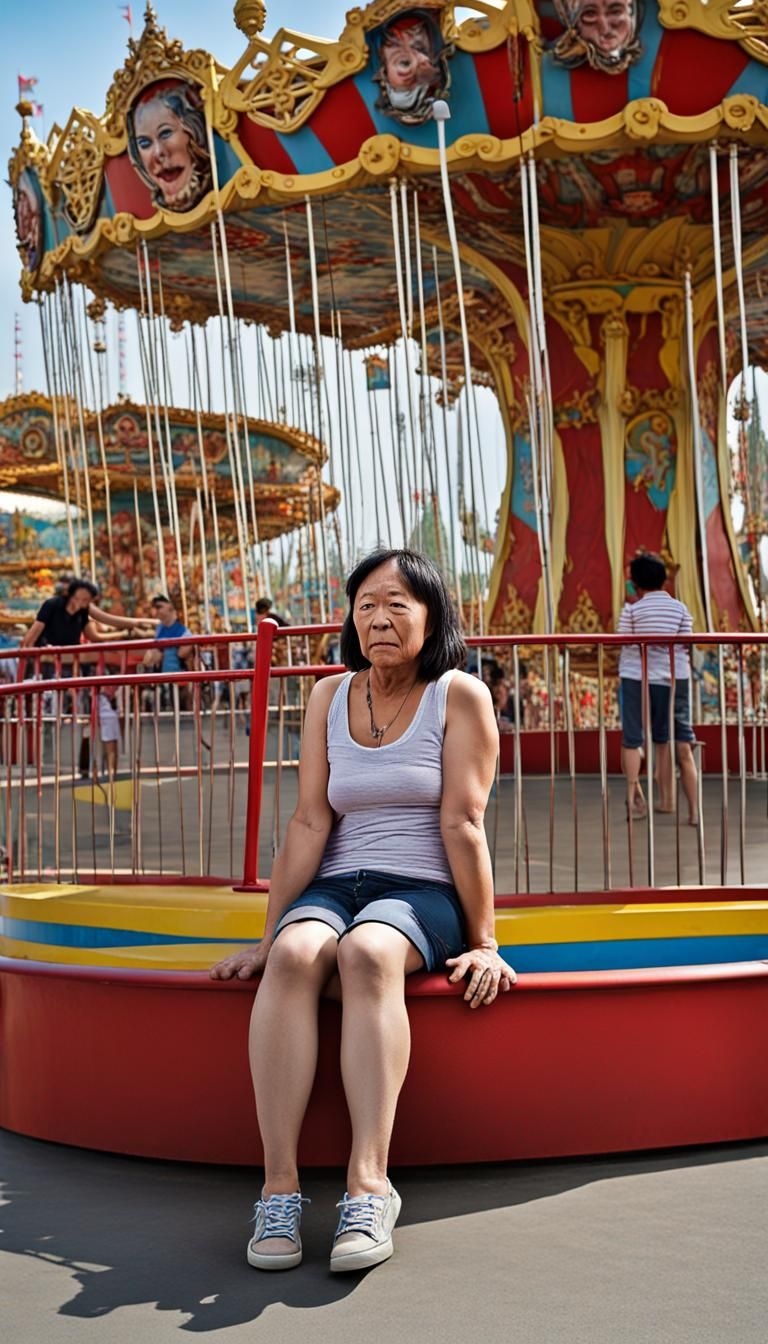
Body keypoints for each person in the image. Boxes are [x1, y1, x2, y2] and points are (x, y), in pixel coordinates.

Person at [211, 549, 516, 1274]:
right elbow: (311, 823)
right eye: (367, 604)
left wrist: (487, 941)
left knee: (369, 954)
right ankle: (279, 1189)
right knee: (293, 957)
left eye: (399, 603)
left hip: (419, 888)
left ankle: (368, 1186)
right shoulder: (328, 695)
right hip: (337, 882)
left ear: (432, 615)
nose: (379, 617)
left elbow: (462, 825)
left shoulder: (459, 696)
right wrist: (267, 934)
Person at [618, 554, 699, 825]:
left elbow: (624, 642)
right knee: (674, 740)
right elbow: (686, 644)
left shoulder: (632, 610)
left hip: (636, 677)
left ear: (635, 583)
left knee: (632, 737)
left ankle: (633, 798)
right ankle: (685, 808)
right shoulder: (680, 609)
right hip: (674, 678)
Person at [21, 579, 153, 661]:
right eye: (78, 598)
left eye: (85, 600)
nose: (80, 602)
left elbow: (97, 631)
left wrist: (133, 628)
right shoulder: (52, 605)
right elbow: (31, 637)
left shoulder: (83, 609)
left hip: (72, 655)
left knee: (113, 656)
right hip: (49, 655)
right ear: (70, 595)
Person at [141, 595, 194, 710]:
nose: (157, 610)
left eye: (159, 607)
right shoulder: (159, 629)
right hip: (162, 675)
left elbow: (183, 653)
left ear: (170, 607)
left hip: (178, 676)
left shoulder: (183, 632)